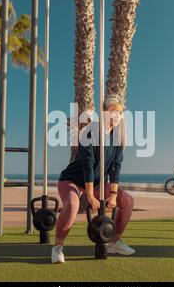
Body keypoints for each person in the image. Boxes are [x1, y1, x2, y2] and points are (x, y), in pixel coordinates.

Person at [52, 94, 135, 264]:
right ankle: (58, 247)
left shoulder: (118, 138)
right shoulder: (89, 133)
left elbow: (115, 167)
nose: (116, 116)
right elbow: (87, 165)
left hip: (97, 183)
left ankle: (115, 242)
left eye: (119, 113)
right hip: (72, 180)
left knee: (127, 200)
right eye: (112, 112)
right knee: (73, 205)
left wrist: (112, 193)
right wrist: (89, 195)